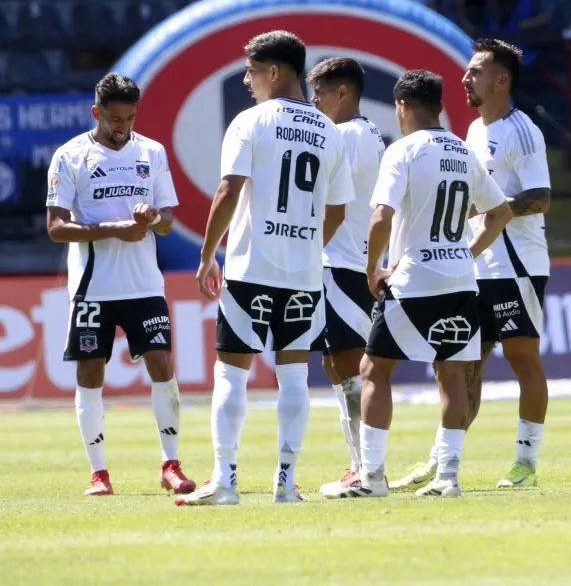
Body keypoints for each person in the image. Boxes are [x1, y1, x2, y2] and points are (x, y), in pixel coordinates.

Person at [175, 31, 354, 506]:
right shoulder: (329, 132)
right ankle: (285, 483)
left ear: (274, 72)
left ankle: (226, 482)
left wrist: (207, 253)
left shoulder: (250, 122)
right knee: (294, 376)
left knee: (231, 374)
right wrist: (309, 247)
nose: (248, 81)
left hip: (252, 266)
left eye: (251, 71)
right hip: (303, 274)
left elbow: (228, 189)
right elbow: (337, 209)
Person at [334, 69, 512, 499]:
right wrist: (466, 253)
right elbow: (501, 211)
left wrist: (373, 267)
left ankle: (373, 477)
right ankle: (447, 477)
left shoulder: (404, 151)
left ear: (402, 106)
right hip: (459, 281)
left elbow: (380, 217)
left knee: (374, 370)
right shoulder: (464, 152)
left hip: (412, 279)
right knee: (452, 376)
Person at [390, 39, 552, 491]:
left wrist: (489, 209)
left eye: (476, 71)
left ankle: (525, 462)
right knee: (461, 367)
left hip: (517, 265)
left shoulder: (521, 130)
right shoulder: (473, 133)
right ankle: (441, 462)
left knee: (523, 360)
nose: (465, 78)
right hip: (474, 263)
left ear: (502, 80)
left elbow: (541, 198)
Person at [45, 73, 195, 497]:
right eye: (114, 119)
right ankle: (99, 473)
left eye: (129, 118)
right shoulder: (70, 156)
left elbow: (168, 222)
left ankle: (170, 464)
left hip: (144, 284)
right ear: (97, 112)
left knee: (162, 367)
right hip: (93, 287)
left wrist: (152, 218)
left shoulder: (152, 152)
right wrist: (115, 227)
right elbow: (56, 227)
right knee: (91, 373)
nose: (122, 127)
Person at [305, 57, 386, 497]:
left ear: (342, 92)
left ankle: (369, 468)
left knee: (351, 364)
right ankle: (360, 463)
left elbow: (330, 203)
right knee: (336, 361)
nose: (314, 103)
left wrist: (308, 248)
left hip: (345, 263)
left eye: (318, 93)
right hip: (345, 262)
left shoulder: (346, 137)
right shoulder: (366, 132)